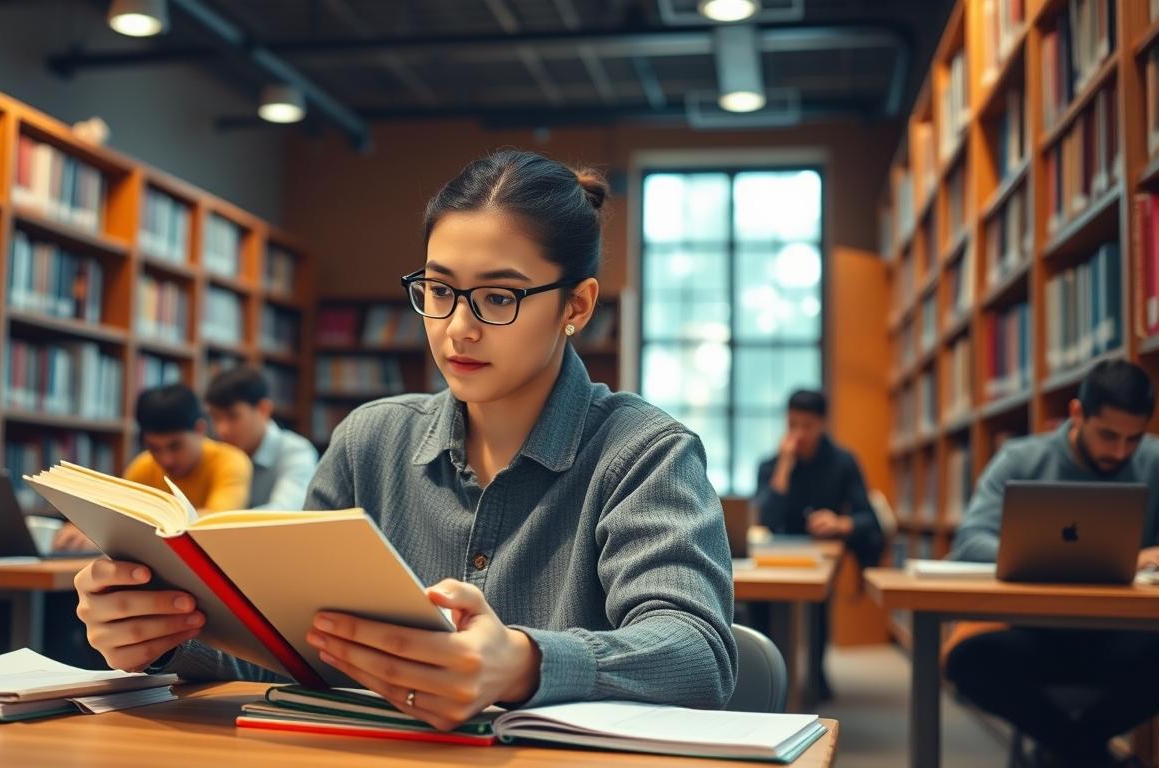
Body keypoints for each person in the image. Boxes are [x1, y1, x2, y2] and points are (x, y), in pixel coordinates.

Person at [70, 150, 738, 731]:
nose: (457, 328)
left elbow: (698, 653)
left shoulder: (645, 452)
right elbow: (305, 652)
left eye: (498, 298)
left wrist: (523, 663)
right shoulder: (370, 441)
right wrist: (165, 633)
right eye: (440, 289)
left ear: (577, 305)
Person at [945, 360, 1159, 768]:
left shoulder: (1156, 461)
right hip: (1037, 633)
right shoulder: (1021, 459)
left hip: (1124, 636)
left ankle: (1061, 752)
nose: (1120, 452)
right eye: (1108, 435)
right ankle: (1091, 757)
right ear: (1077, 413)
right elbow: (970, 541)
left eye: (1133, 439)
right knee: (967, 662)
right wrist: (1036, 555)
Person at [753, 388, 885, 701]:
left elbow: (870, 519)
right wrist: (785, 465)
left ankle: (814, 678)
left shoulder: (843, 462)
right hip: (777, 555)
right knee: (761, 604)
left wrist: (840, 523)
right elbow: (766, 519)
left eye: (807, 426)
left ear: (823, 424)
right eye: (792, 425)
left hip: (822, 554)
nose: (798, 434)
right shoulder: (771, 464)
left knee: (816, 608)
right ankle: (768, 679)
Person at [52, 384, 253, 551]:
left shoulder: (231, 461)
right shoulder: (143, 465)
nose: (166, 460)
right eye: (154, 448)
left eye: (175, 446)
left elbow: (215, 523)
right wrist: (88, 528)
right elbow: (116, 516)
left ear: (200, 430)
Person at [204, 366, 318, 509]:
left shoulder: (297, 452)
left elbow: (286, 513)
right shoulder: (215, 452)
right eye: (215, 417)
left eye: (233, 416)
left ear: (264, 409)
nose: (222, 429)